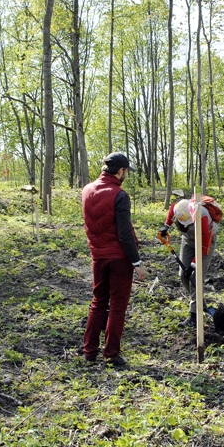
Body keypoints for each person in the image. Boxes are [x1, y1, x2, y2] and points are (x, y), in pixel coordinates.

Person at [81, 152, 147, 366]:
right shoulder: (119, 195)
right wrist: (137, 263)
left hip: (98, 256)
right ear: (120, 171)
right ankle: (111, 354)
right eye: (126, 171)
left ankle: (89, 351)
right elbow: (125, 233)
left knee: (98, 302)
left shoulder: (87, 190)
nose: (126, 174)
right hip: (119, 258)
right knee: (118, 306)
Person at [158, 197, 219, 327]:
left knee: (196, 278)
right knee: (183, 275)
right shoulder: (178, 207)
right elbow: (171, 210)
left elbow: (204, 245)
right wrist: (166, 226)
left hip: (205, 242)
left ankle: (194, 316)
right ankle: (199, 302)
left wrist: (193, 264)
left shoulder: (201, 215)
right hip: (187, 240)